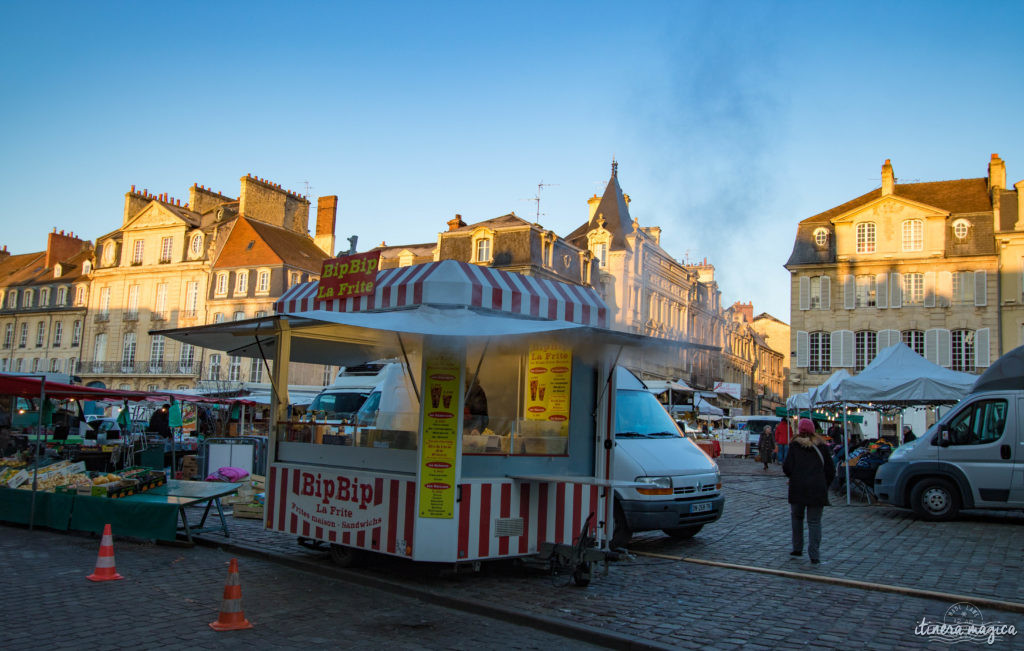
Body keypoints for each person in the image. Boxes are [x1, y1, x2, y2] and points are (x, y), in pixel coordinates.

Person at [783, 418, 836, 564]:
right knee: (814, 522)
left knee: (797, 519)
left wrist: (793, 476)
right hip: (817, 489)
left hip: (798, 488)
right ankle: (814, 554)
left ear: (799, 430)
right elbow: (830, 470)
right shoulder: (822, 446)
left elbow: (787, 467)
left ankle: (797, 548)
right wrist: (824, 484)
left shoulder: (794, 446)